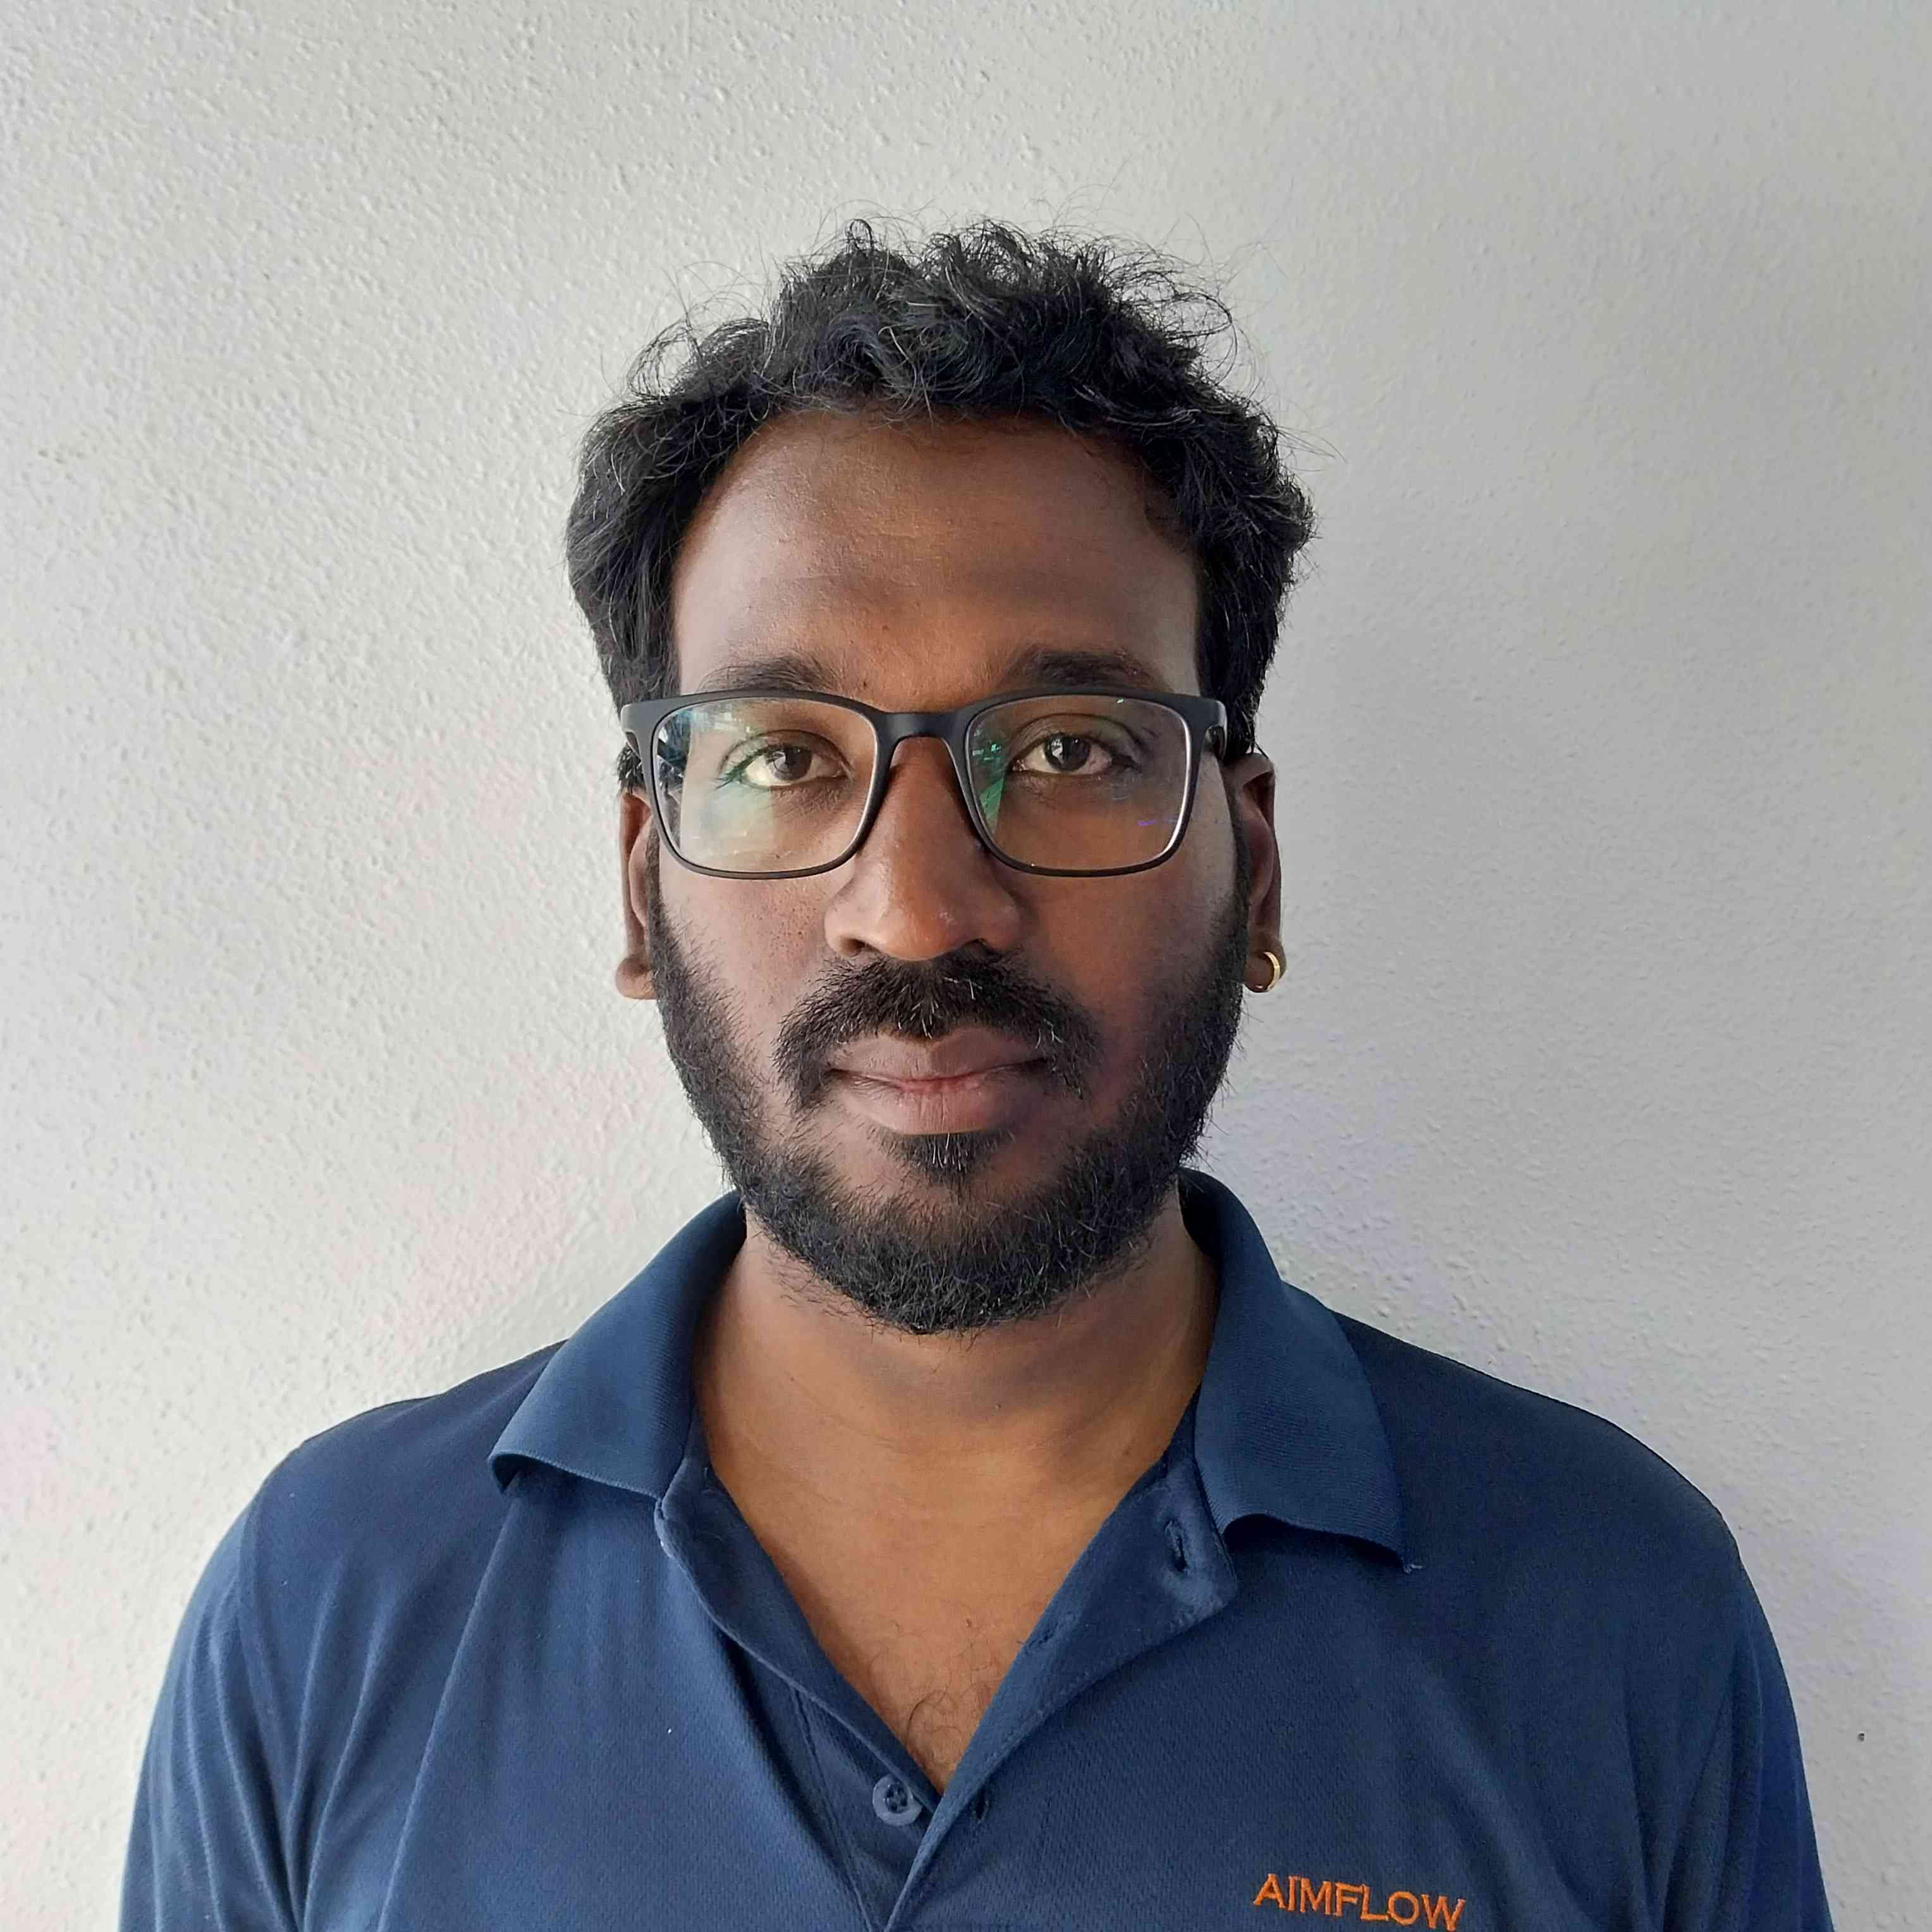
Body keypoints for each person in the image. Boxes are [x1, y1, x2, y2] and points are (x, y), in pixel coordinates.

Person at [122, 217, 1835, 1930]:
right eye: (784, 757)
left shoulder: (1616, 1614)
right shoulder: (330, 1604)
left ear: (1254, 872)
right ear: (645, 885)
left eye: (1073, 748)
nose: (920, 906)